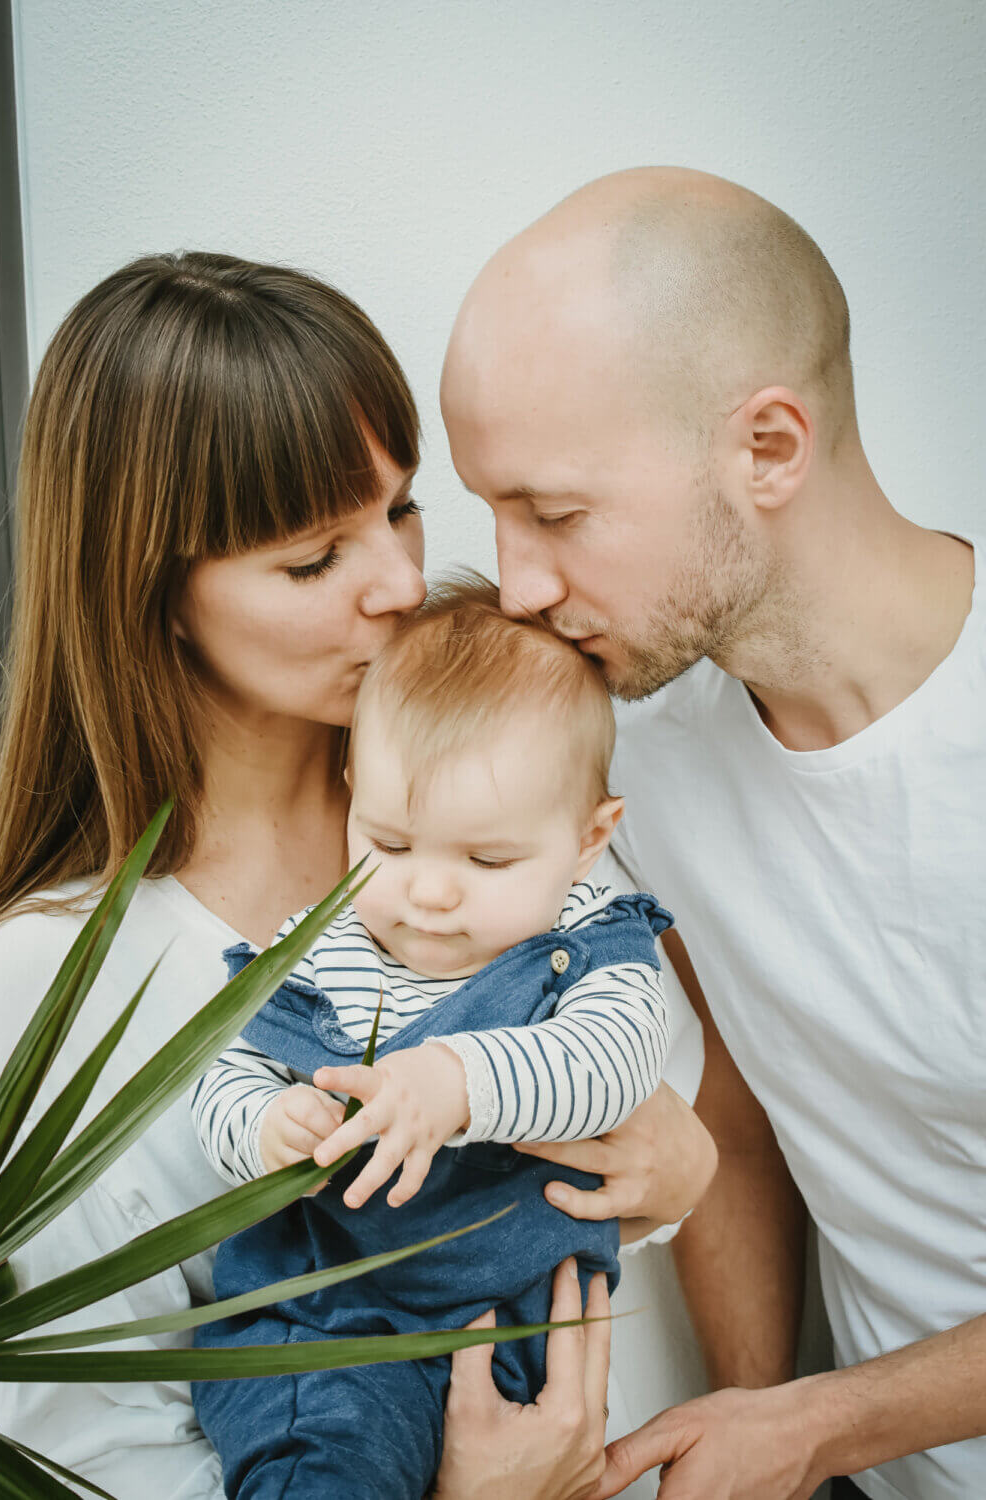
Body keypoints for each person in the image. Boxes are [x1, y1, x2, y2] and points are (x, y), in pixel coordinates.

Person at [0, 250, 715, 1499]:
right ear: (157, 594)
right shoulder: (52, 983)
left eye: (400, 509)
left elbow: (644, 1096)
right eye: (312, 560)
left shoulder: (503, 793)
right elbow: (92, 1459)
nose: (396, 584)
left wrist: (677, 1175)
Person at [439, 167, 986, 1499]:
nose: (518, 585)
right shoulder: (643, 753)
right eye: (492, 515)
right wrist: (759, 1426)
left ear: (769, 450)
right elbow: (737, 1100)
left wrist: (813, 1431)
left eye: (556, 514)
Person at [188, 576, 674, 1499]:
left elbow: (611, 1066)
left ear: (588, 837)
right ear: (350, 797)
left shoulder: (594, 943)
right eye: (391, 842)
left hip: (525, 1337)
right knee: (329, 1471)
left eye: (487, 858)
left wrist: (455, 1077)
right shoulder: (321, 950)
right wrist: (264, 1126)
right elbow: (227, 1066)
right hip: (335, 1330)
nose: (430, 892)